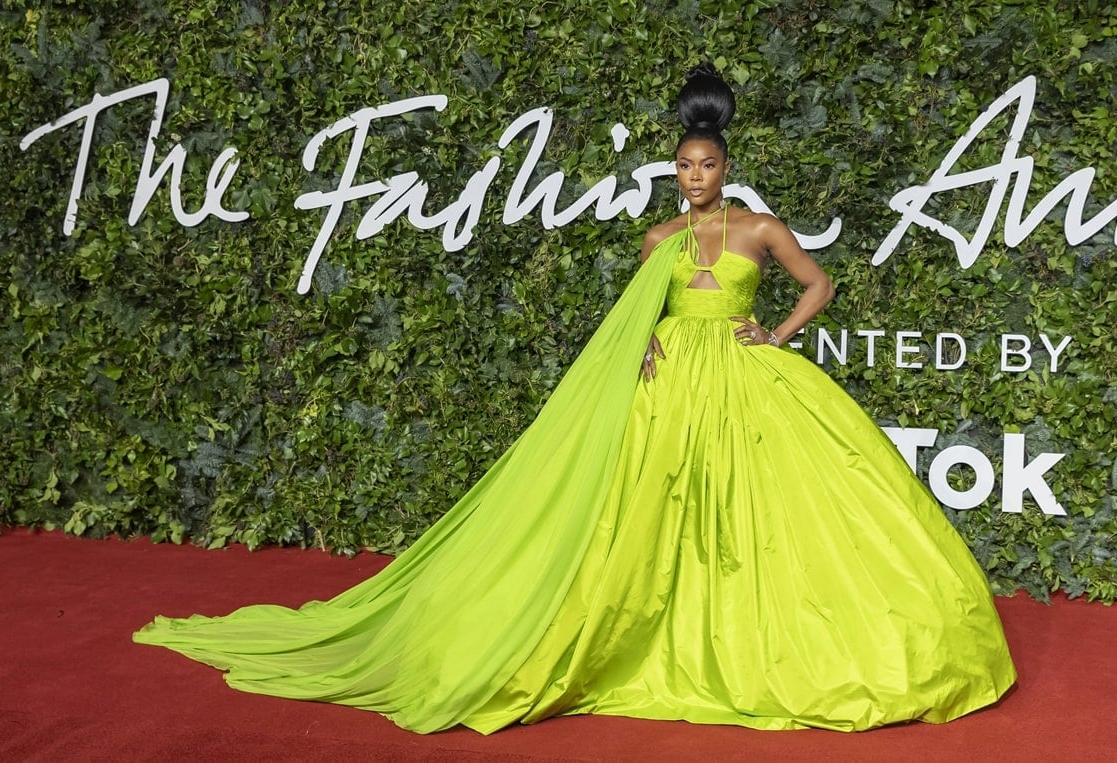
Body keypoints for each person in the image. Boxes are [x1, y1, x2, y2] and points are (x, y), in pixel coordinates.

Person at [134, 64, 1016, 734]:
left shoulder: (761, 228)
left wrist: (774, 335)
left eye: (705, 164)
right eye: (682, 164)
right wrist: (639, 355)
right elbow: (642, 312)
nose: (693, 176)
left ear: (727, 164)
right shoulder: (658, 236)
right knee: (634, 522)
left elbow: (818, 285)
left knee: (768, 524)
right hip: (667, 387)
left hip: (748, 385)